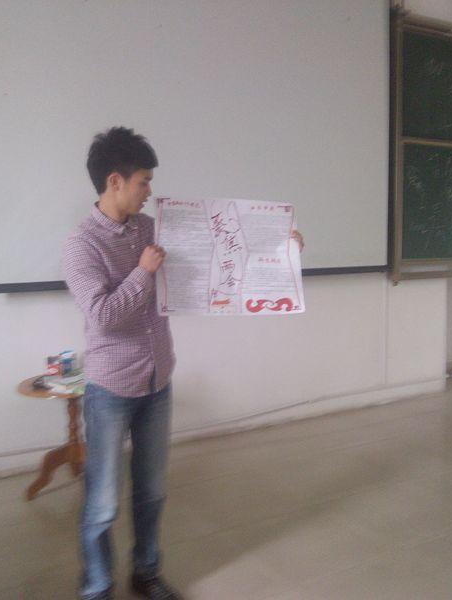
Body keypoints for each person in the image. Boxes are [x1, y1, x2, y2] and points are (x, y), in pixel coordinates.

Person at [64, 126, 303, 600]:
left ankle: (146, 573)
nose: (149, 192)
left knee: (152, 491)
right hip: (111, 387)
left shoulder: (150, 229)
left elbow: (218, 258)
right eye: (143, 182)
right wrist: (143, 273)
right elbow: (103, 316)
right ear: (115, 181)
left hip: (158, 379)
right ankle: (96, 587)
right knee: (103, 503)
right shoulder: (81, 244)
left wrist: (281, 251)